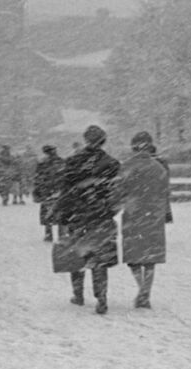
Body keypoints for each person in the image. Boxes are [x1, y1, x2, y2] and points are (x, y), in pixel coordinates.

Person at [54, 125, 120, 314]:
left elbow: (65, 190)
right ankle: (102, 296)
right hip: (101, 216)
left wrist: (64, 215)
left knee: (77, 253)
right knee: (99, 258)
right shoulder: (112, 163)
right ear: (103, 140)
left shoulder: (73, 162)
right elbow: (117, 192)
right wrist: (109, 210)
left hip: (78, 214)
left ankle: (78, 294)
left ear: (85, 139)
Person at [117, 132, 171, 309]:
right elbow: (164, 192)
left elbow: (120, 192)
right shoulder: (159, 168)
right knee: (150, 257)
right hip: (153, 215)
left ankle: (142, 289)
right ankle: (145, 291)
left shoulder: (126, 167)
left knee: (133, 257)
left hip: (133, 214)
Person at [32, 145, 65, 242]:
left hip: (47, 192)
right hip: (59, 191)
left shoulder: (42, 163)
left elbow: (38, 178)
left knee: (48, 213)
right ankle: (61, 234)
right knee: (60, 213)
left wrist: (37, 191)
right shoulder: (61, 162)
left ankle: (48, 234)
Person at [147, 142, 173, 224]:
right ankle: (167, 216)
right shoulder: (162, 161)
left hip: (151, 185)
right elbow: (167, 172)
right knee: (165, 201)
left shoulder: (148, 161)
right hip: (162, 184)